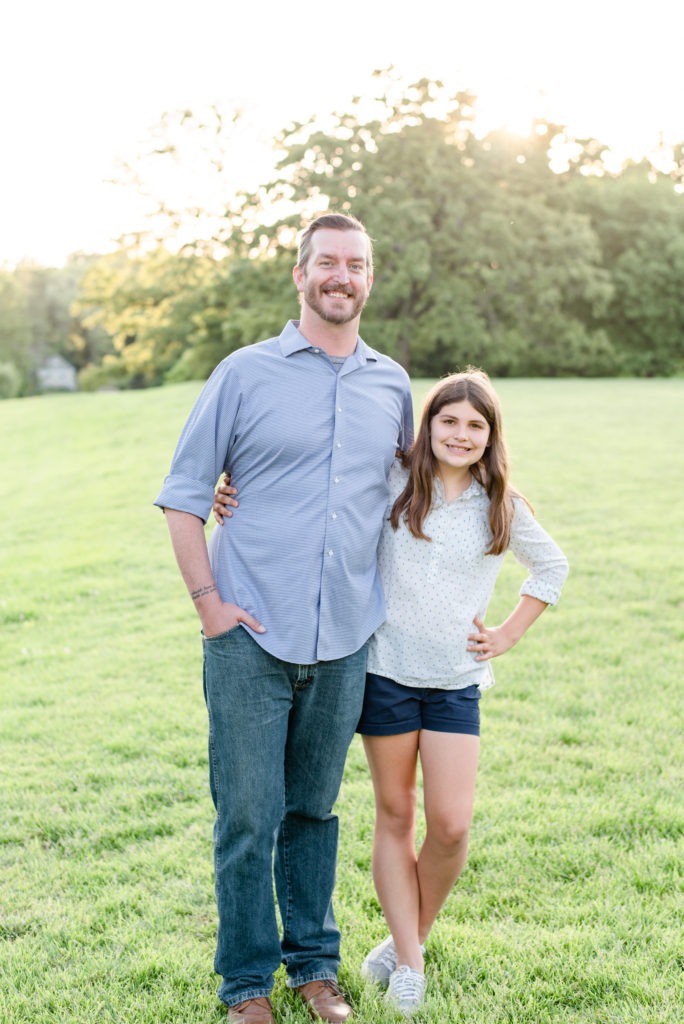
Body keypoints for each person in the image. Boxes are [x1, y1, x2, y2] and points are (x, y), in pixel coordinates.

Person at [214, 367, 568, 1016]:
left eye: (475, 426)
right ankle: (408, 962)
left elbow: (553, 567)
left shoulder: (502, 504)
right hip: (386, 675)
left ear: (491, 438)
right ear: (426, 425)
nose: (460, 434)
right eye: (448, 420)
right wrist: (234, 493)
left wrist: (509, 634)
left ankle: (409, 939)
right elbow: (318, 493)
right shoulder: (394, 482)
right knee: (397, 815)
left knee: (453, 826)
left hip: (456, 683)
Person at [154, 213, 413, 1024]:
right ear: (300, 276)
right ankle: (244, 987)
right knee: (247, 817)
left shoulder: (392, 383)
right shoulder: (244, 373)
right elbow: (185, 496)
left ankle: (315, 967)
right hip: (249, 637)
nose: (343, 276)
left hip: (343, 639)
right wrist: (210, 609)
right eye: (327, 262)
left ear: (370, 278)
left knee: (315, 811)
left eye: (357, 264)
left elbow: (414, 494)